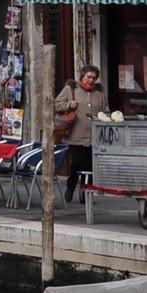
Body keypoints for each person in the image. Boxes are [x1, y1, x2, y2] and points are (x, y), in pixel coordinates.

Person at [51, 66, 105, 202]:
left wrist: (105, 117)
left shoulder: (100, 93)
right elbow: (55, 105)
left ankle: (87, 193)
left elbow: (106, 110)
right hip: (76, 136)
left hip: (95, 137)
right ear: (82, 77)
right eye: (89, 77)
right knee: (79, 163)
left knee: (92, 166)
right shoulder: (71, 89)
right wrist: (69, 104)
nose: (91, 80)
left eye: (94, 78)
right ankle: (71, 186)